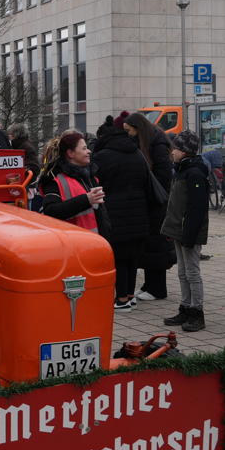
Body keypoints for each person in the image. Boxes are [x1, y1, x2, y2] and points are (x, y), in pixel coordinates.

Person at [92, 120, 150, 311]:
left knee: (118, 257)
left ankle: (122, 299)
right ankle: (130, 296)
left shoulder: (102, 157)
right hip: (139, 211)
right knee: (132, 256)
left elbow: (97, 184)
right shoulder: (137, 153)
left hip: (115, 212)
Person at [160, 130, 209, 332]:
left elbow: (197, 208)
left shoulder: (194, 173)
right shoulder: (181, 169)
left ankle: (197, 312)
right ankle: (186, 307)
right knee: (182, 272)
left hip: (189, 231)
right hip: (179, 229)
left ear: (185, 151)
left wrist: (189, 234)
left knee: (192, 272)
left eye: (176, 148)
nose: (172, 151)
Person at [125, 113, 175, 302]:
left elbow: (163, 175)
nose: (128, 134)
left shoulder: (157, 143)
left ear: (138, 128)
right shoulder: (149, 140)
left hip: (157, 201)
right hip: (151, 200)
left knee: (156, 245)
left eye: (129, 130)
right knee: (149, 245)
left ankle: (157, 288)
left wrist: (152, 193)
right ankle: (149, 284)